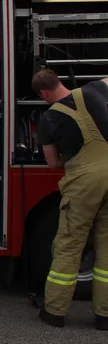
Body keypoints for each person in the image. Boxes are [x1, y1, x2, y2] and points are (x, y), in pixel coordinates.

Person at [33, 68, 108, 329]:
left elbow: (53, 163)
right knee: (107, 248)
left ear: (44, 94)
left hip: (85, 182)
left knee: (70, 244)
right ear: (60, 82)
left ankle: (54, 312)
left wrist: (71, 156)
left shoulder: (49, 119)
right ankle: (105, 316)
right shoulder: (96, 89)